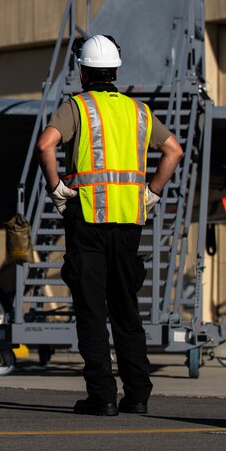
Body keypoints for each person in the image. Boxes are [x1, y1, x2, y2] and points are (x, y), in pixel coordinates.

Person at [35, 35, 184, 416]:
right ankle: (137, 395)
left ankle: (101, 396)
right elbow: (174, 151)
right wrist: (151, 192)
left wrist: (56, 188)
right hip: (129, 223)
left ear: (82, 71)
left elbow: (45, 145)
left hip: (87, 220)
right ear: (116, 70)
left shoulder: (77, 107)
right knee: (126, 310)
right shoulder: (138, 111)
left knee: (91, 311)